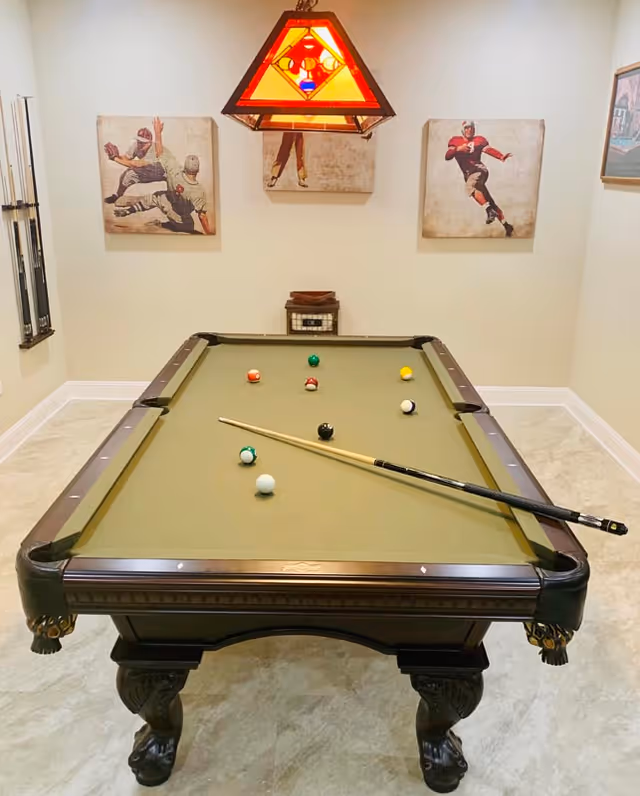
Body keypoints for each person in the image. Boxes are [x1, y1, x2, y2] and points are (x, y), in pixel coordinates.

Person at [114, 117, 211, 234]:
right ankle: (164, 224)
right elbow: (202, 216)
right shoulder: (199, 191)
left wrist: (158, 133)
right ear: (197, 170)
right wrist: (209, 234)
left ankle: (130, 210)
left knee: (156, 197)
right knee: (189, 225)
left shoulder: (174, 171)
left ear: (184, 167)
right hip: (179, 217)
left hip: (166, 203)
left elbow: (160, 154)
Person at [445, 121, 514, 237]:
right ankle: (507, 225)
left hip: (479, 170)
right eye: (467, 128)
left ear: (474, 129)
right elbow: (447, 156)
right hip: (469, 174)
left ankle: (488, 210)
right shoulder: (456, 141)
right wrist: (458, 149)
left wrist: (501, 156)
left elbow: (488, 150)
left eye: (471, 128)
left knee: (470, 186)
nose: (469, 130)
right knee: (488, 200)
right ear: (463, 130)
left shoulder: (479, 140)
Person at [103, 127, 165, 204]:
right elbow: (126, 158)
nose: (140, 144)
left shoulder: (154, 150)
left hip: (163, 171)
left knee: (175, 184)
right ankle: (117, 196)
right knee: (128, 174)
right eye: (139, 141)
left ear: (149, 142)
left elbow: (137, 164)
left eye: (143, 142)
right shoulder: (136, 146)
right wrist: (117, 155)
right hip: (148, 171)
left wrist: (115, 159)